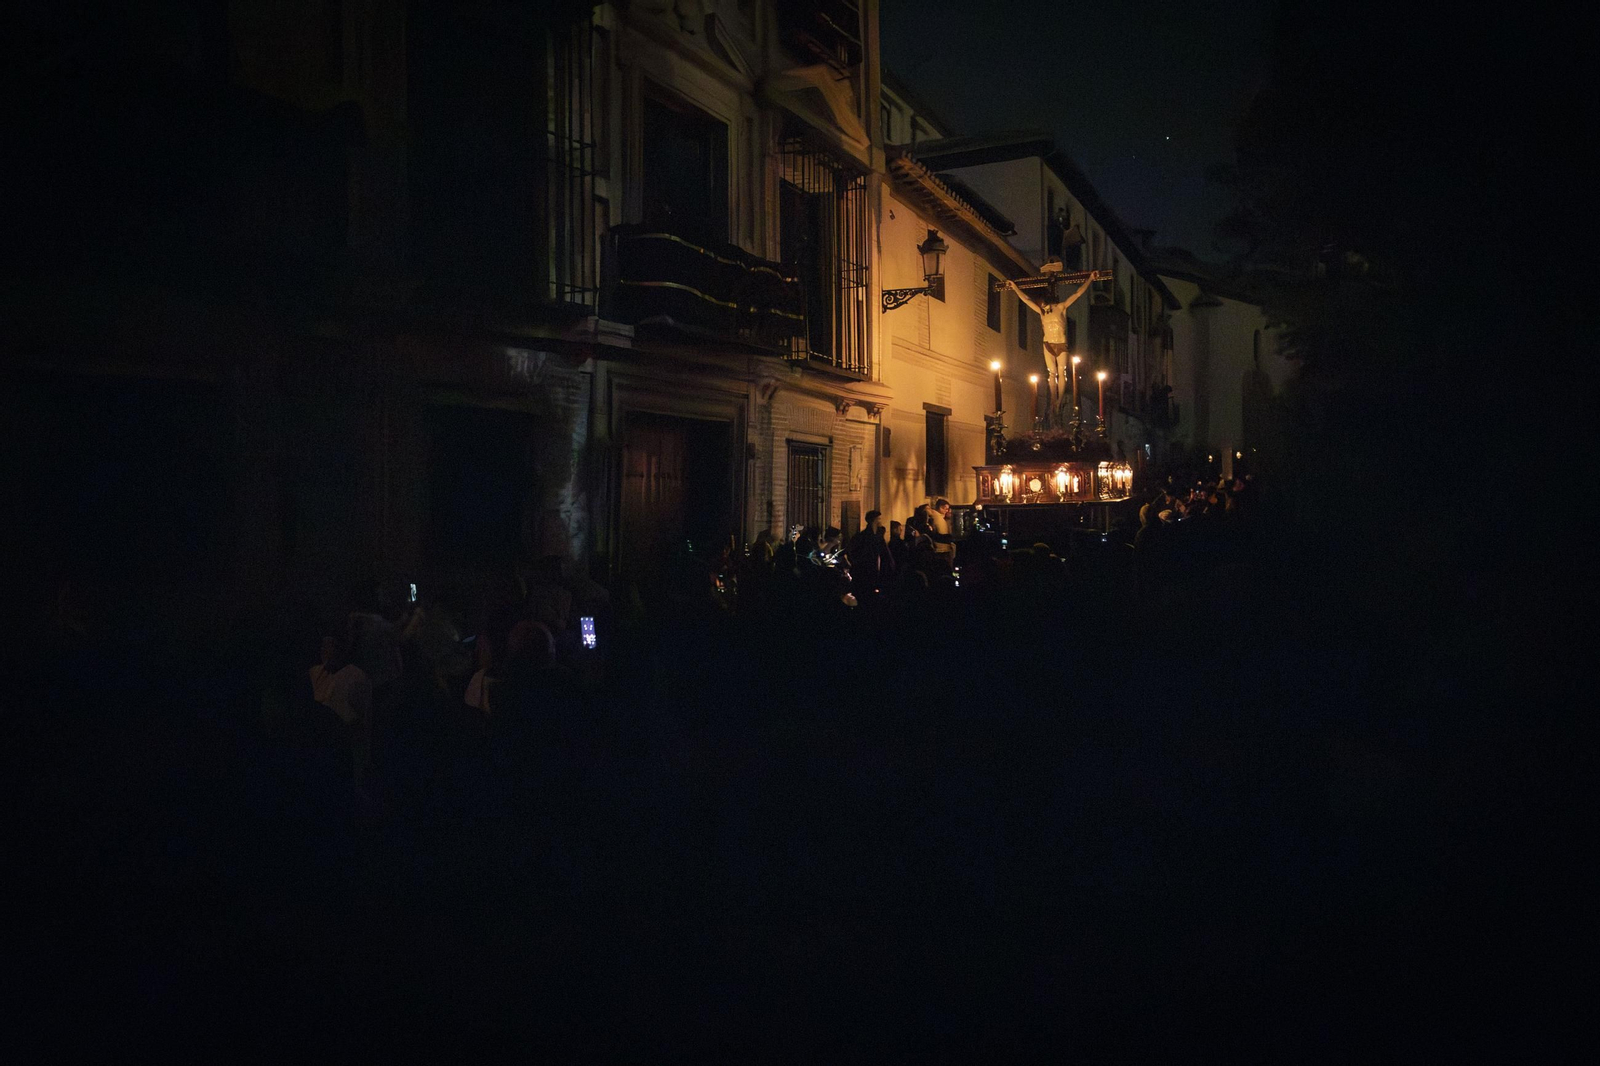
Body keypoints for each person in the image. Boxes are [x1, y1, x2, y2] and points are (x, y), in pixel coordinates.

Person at [309, 633, 372, 782]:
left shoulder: (355, 677)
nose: (324, 651)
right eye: (323, 646)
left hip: (344, 749)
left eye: (329, 646)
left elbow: (358, 721)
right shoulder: (316, 673)